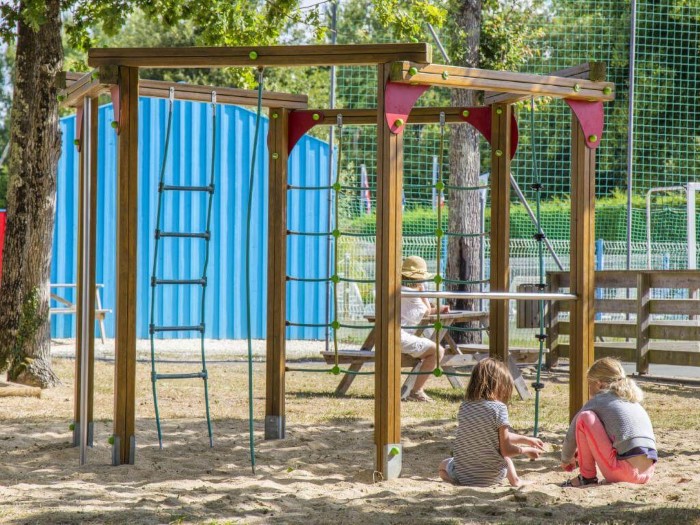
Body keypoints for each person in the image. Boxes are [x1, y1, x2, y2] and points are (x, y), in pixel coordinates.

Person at [438, 358, 545, 487]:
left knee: (443, 466)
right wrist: (526, 449)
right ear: (499, 385)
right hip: (493, 477)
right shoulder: (499, 408)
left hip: (464, 477)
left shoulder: (465, 406)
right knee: (503, 454)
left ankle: (456, 483)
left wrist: (526, 439)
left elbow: (491, 435)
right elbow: (506, 449)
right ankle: (515, 480)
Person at [560, 357, 657, 487]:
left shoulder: (598, 400)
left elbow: (572, 434)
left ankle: (586, 478)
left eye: (590, 385)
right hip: (648, 472)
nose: (589, 390)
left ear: (599, 384)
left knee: (585, 417)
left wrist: (566, 458)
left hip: (626, 473)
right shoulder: (632, 401)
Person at [401, 255, 448, 402]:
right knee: (437, 351)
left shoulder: (397, 288)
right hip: (399, 337)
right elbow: (426, 311)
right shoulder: (412, 293)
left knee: (429, 346)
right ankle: (417, 390)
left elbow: (419, 312)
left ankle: (416, 389)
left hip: (390, 335)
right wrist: (423, 293)